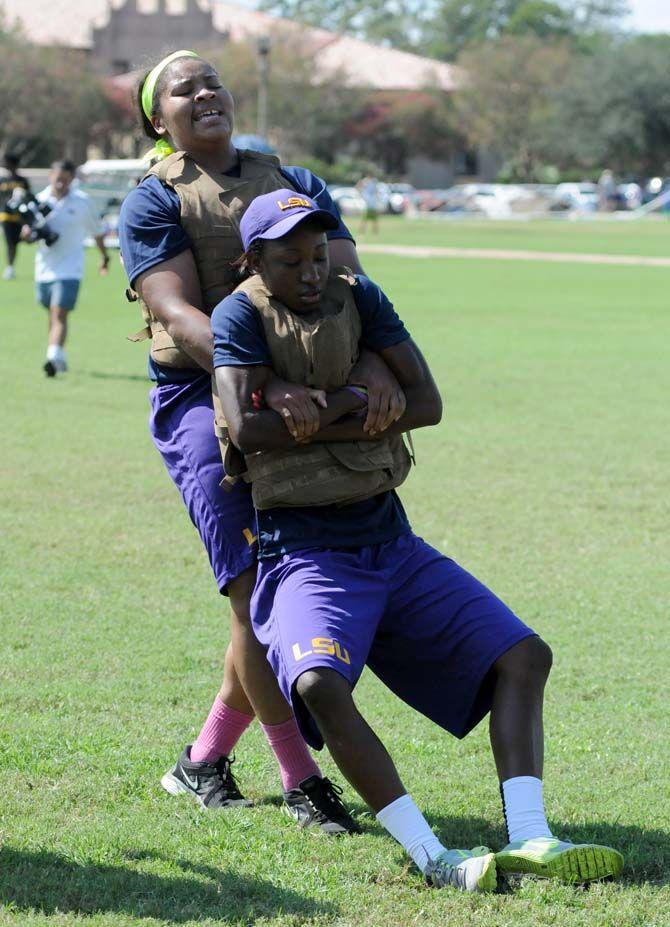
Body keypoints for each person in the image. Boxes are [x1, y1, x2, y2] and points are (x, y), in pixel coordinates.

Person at [210, 189, 625, 891]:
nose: (311, 271)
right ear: (254, 259)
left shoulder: (359, 294)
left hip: (390, 539)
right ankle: (434, 858)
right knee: (318, 683)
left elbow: (426, 403)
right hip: (303, 550)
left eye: (318, 254)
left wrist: (333, 405)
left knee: (522, 656)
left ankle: (531, 835)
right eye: (290, 260)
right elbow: (246, 431)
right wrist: (364, 406)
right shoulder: (239, 314)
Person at [117, 49, 405, 831]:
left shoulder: (296, 181)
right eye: (184, 87)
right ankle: (300, 776)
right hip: (204, 399)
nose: (205, 91)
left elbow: (351, 285)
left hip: (307, 395)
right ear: (158, 118)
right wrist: (260, 379)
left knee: (276, 596)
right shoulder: (152, 201)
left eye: (213, 80)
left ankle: (204, 759)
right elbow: (176, 313)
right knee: (254, 593)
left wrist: (378, 361)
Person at [30, 160, 110, 376]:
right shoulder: (38, 201)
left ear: (72, 180)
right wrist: (29, 233)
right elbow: (26, 232)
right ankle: (59, 355)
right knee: (53, 314)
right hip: (44, 270)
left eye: (65, 180)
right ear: (50, 176)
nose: (61, 184)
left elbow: (98, 231)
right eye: (58, 179)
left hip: (70, 270)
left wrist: (104, 257)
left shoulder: (82, 202)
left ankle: (52, 357)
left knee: (59, 314)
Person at [0, 153, 32, 280]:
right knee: (10, 243)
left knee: (21, 241)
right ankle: (10, 267)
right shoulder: (2, 180)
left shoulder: (22, 180)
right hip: (6, 216)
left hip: (21, 217)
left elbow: (29, 197)